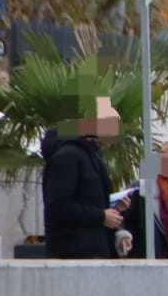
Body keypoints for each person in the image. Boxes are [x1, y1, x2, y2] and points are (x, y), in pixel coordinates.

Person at [40, 95, 124, 259]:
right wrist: (101, 216)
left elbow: (90, 198)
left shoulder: (93, 155)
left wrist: (114, 206)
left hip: (96, 249)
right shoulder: (67, 156)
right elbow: (58, 206)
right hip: (73, 252)